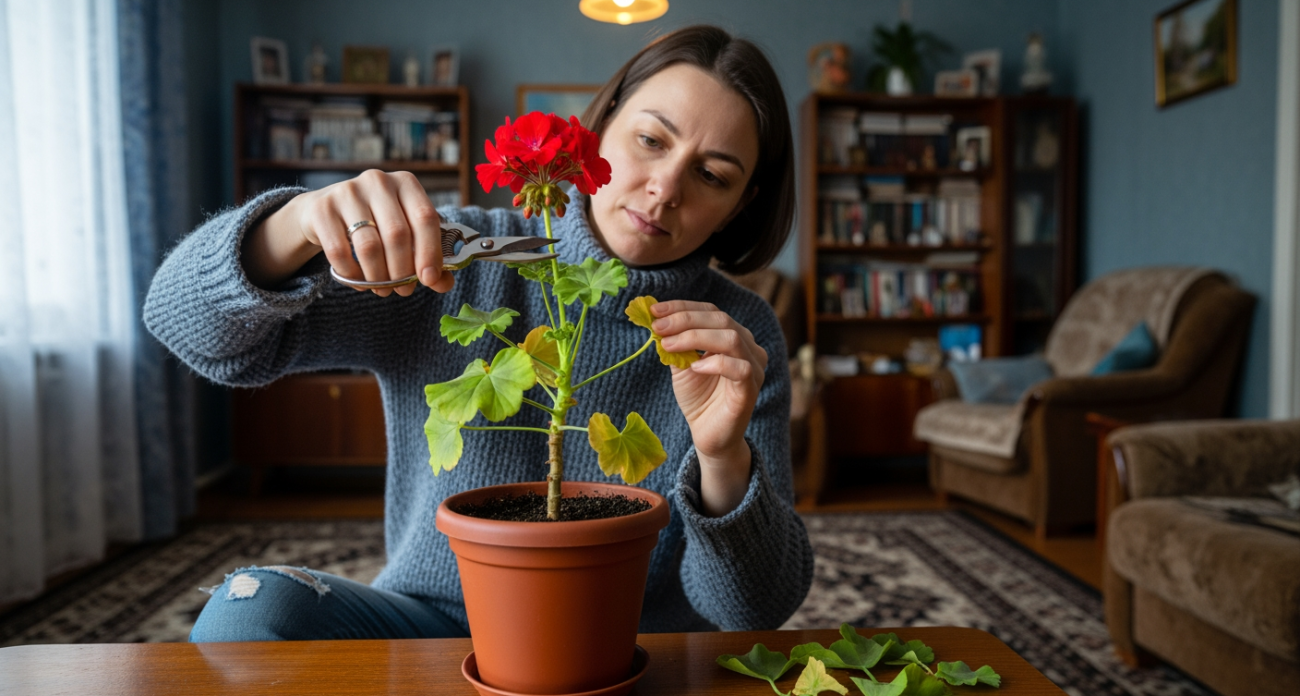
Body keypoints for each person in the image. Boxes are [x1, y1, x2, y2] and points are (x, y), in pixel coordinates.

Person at [147, 24, 814, 642]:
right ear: (603, 124)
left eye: (711, 175)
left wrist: (723, 458)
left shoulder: (737, 337)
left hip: (627, 647)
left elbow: (753, 611)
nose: (665, 189)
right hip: (436, 627)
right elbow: (182, 325)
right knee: (250, 606)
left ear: (740, 205)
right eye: (651, 140)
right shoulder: (455, 256)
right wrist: (295, 224)